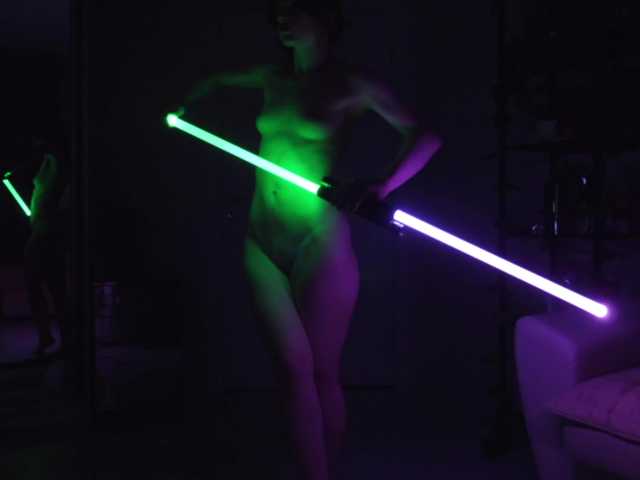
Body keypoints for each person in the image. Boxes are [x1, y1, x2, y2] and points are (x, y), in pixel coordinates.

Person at [181, 1, 442, 478]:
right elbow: (213, 80)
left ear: (323, 18)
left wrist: (381, 187)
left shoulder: (352, 83)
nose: (281, 19)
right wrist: (181, 106)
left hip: (316, 242)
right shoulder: (270, 77)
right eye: (276, 12)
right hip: (260, 239)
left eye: (294, 10)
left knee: (320, 373)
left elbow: (425, 136)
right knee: (291, 372)